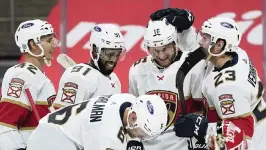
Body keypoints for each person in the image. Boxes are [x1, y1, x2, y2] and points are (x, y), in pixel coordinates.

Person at [174, 17, 266, 150]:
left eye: (205, 38)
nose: (201, 41)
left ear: (219, 45)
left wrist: (203, 129)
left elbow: (238, 141)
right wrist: (183, 31)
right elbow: (199, 52)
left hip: (255, 142)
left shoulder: (228, 88)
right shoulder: (234, 53)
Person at [129, 8, 207, 150]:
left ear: (175, 43)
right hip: (149, 144)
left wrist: (198, 123)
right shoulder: (137, 70)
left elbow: (204, 108)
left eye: (166, 49)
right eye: (155, 50)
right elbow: (133, 112)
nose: (161, 55)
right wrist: (133, 139)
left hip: (183, 144)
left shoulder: (193, 65)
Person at [26, 93, 168, 150]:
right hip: (49, 142)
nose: (141, 138)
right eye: (142, 133)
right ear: (132, 118)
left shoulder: (128, 99)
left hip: (62, 131)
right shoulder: (105, 136)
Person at [0, 19, 58, 150]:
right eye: (49, 41)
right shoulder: (24, 73)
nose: (54, 45)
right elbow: (5, 124)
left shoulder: (37, 75)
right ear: (33, 44)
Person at [53, 24, 126, 109]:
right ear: (95, 50)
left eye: (117, 54)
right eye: (109, 54)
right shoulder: (76, 77)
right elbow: (61, 116)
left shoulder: (114, 79)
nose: (113, 60)